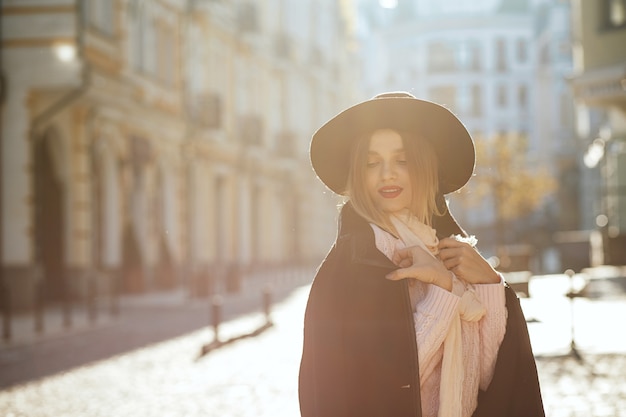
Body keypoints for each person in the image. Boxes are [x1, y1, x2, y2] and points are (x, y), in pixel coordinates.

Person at [298, 92, 544, 417]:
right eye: (372, 163)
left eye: (402, 160)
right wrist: (443, 291)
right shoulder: (352, 267)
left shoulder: (451, 253)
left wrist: (488, 284)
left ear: (425, 166)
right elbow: (388, 388)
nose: (387, 173)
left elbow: (487, 379)